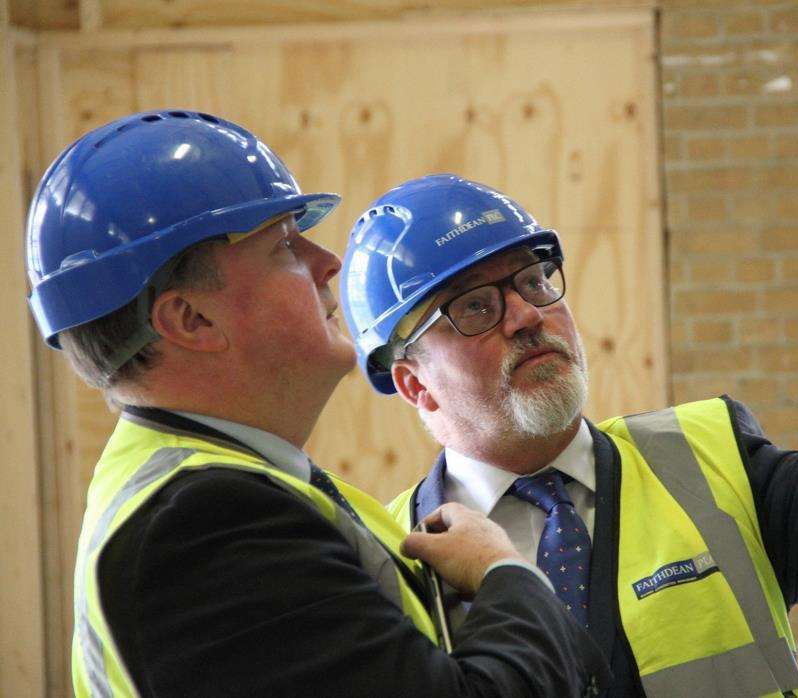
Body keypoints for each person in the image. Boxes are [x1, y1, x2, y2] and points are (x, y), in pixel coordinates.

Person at [339, 84, 798, 697]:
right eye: (477, 307)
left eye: (534, 280)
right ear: (413, 382)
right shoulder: (382, 564)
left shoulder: (707, 463)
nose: (526, 314)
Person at [25, 110, 609, 697]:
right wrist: (504, 575)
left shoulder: (244, 488)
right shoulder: (204, 524)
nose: (327, 262)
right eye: (284, 245)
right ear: (191, 318)